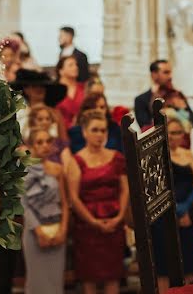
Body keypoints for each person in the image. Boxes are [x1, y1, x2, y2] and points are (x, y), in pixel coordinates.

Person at [65, 110, 128, 294]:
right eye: (95, 130)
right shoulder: (76, 161)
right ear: (84, 132)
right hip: (87, 227)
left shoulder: (117, 158)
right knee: (89, 278)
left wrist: (120, 216)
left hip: (114, 222)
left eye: (103, 130)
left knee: (113, 276)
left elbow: (125, 190)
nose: (100, 135)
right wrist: (93, 222)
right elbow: (73, 198)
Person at [152, 117, 193, 292]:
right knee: (164, 266)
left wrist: (186, 207)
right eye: (171, 133)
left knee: (188, 263)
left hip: (187, 212)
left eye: (178, 132)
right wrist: (177, 211)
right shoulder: (156, 155)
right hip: (164, 215)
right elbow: (158, 188)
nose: (174, 136)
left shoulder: (188, 154)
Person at [21, 128, 69, 294]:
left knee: (55, 282)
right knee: (36, 281)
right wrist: (39, 230)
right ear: (31, 145)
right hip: (34, 231)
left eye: (48, 141)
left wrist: (63, 229)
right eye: (39, 142)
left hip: (55, 227)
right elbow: (23, 204)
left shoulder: (57, 169)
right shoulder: (23, 170)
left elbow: (64, 202)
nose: (45, 146)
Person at [134, 60, 193, 131]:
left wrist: (180, 109)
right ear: (154, 75)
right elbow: (145, 128)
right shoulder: (141, 99)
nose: (170, 77)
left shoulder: (177, 96)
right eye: (166, 72)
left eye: (170, 72)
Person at [11, 69, 68, 138]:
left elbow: (64, 140)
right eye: (34, 86)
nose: (39, 89)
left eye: (42, 86)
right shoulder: (19, 113)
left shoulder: (55, 113)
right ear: (26, 90)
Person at [54, 56, 85, 128]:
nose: (76, 67)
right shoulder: (54, 90)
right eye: (71, 65)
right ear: (61, 71)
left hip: (82, 129)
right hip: (61, 130)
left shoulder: (83, 88)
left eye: (76, 65)